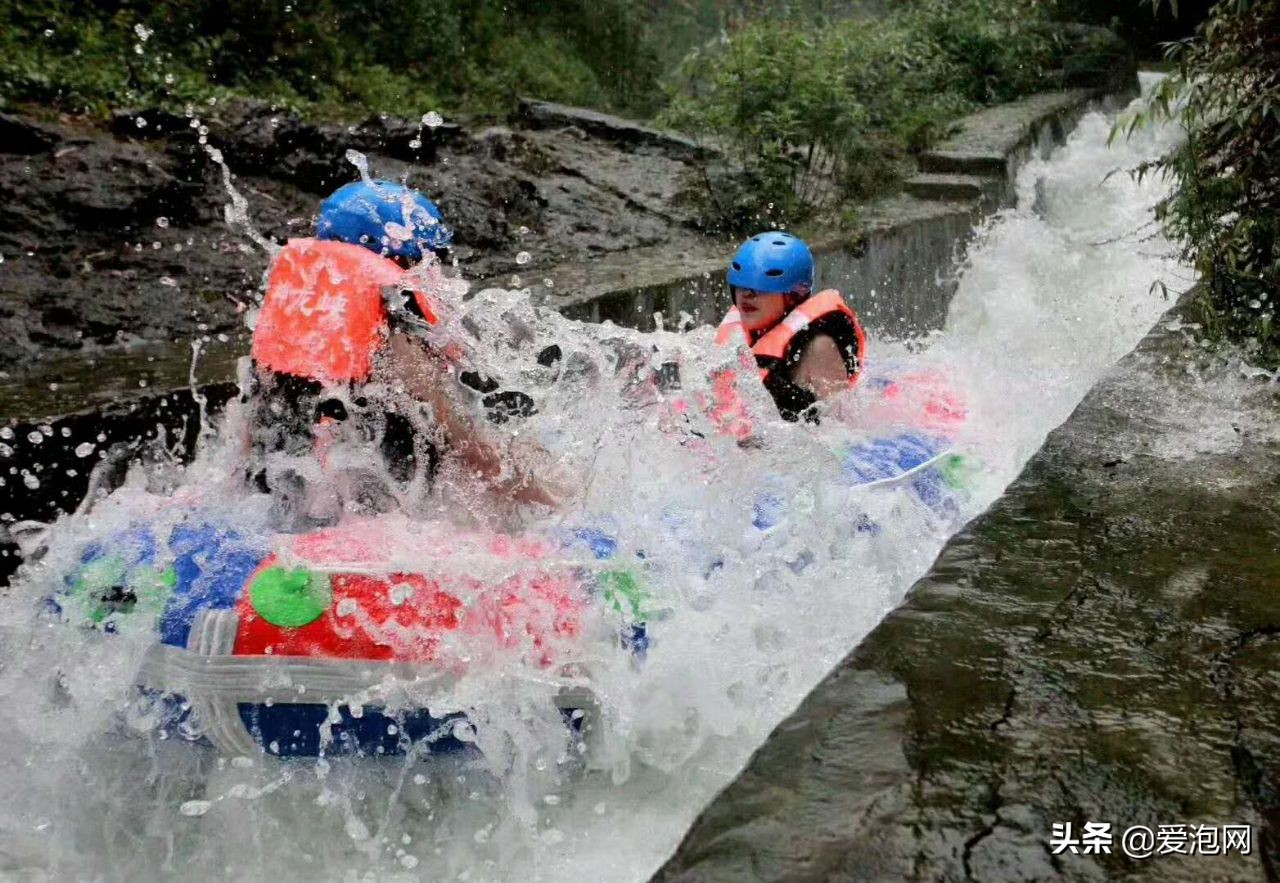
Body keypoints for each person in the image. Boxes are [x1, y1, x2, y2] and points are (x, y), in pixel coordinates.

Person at [247, 179, 563, 529]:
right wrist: (567, 503)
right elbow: (472, 453)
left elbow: (247, 443)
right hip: (386, 529)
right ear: (404, 262)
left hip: (296, 513)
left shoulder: (294, 319)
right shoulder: (397, 341)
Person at [715, 231, 866, 422]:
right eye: (741, 286)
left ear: (793, 296)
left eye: (762, 288)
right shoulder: (734, 339)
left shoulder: (818, 348)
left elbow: (843, 428)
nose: (747, 295)